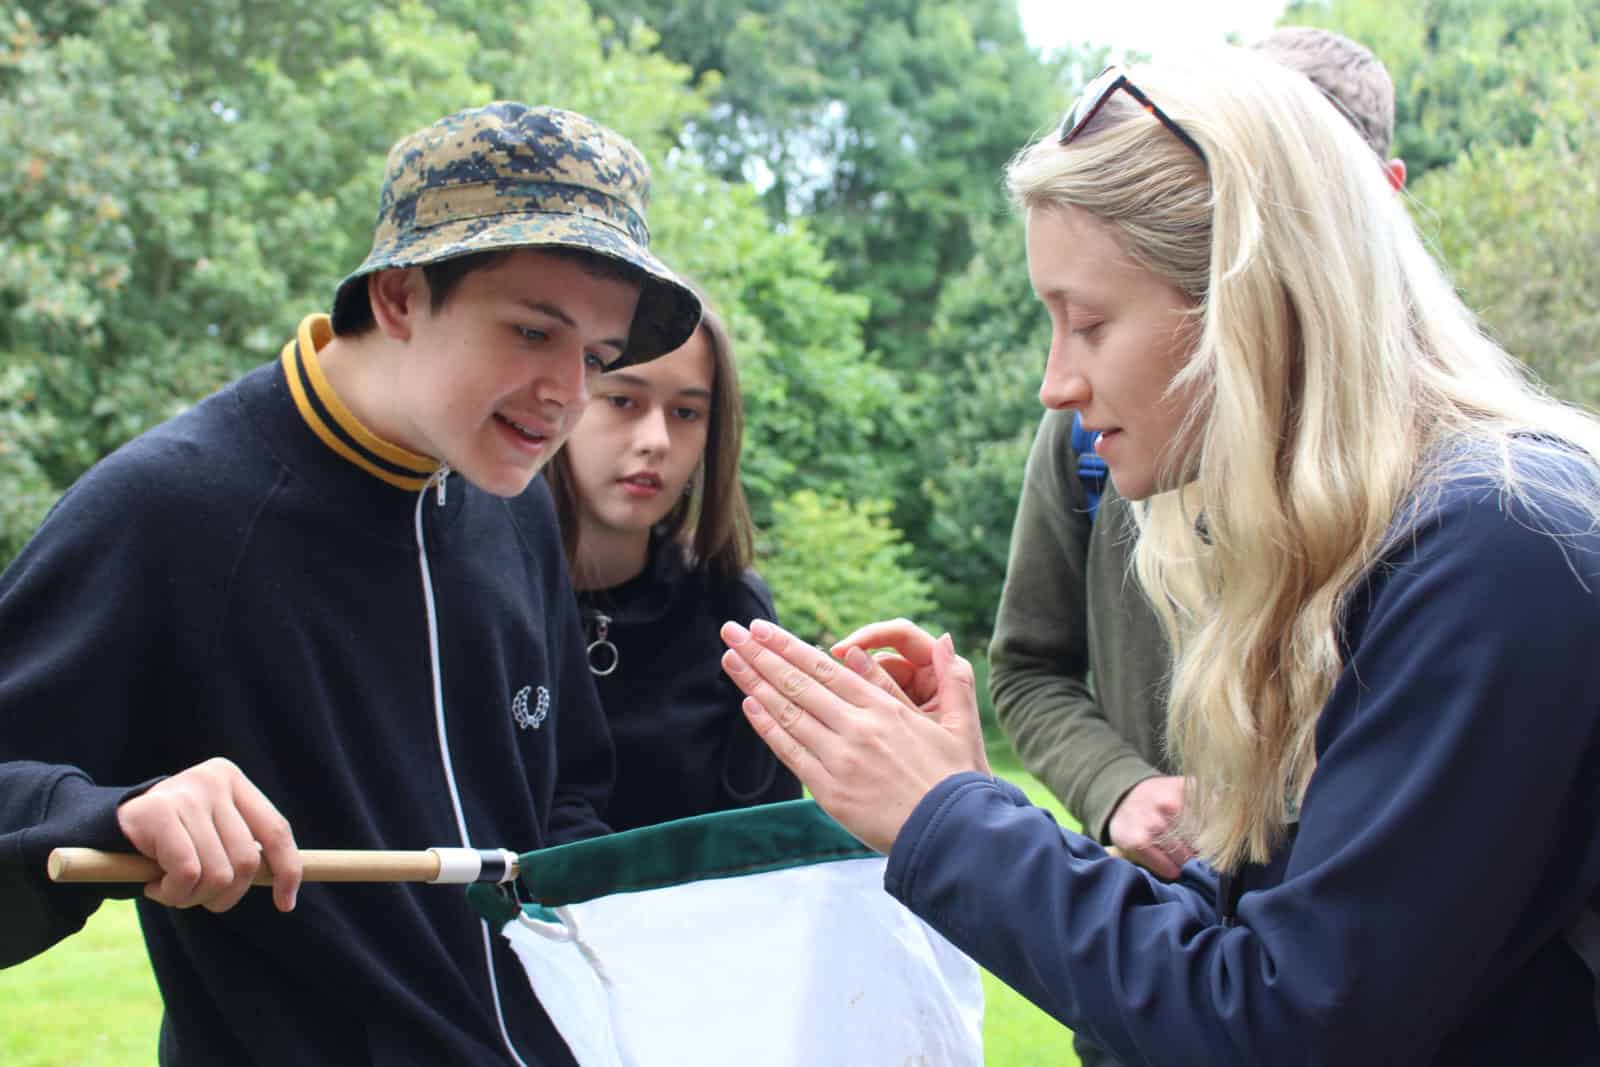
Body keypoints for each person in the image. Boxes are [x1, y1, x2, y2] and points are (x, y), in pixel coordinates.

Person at [718, 51, 1600, 1064]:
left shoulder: (1497, 552)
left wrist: (946, 820)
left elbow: (1281, 1024)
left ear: (1252, 299)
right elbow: (1265, 943)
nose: (1055, 383)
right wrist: (972, 798)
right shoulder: (1401, 541)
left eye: (1086, 321)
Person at [0, 102, 701, 1065]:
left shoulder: (520, 504)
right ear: (402, 296)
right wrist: (112, 811)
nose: (567, 395)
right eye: (534, 333)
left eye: (595, 357)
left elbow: (562, 800)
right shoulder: (169, 508)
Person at [991, 26, 1408, 896]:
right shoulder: (1098, 436)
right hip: (1161, 957)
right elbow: (1028, 665)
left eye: (1315, 198)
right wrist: (1118, 787)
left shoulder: (1457, 502)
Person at [544, 289, 800, 830]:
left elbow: (771, 847)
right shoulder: (478, 594)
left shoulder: (732, 612)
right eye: (623, 401)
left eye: (686, 412)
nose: (656, 440)